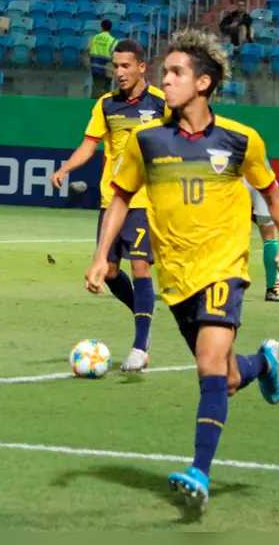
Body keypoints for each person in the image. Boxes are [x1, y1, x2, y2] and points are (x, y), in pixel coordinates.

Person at [85, 29, 279, 511]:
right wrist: (102, 255)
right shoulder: (147, 142)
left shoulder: (241, 140)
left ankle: (199, 473)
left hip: (225, 269)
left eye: (177, 72)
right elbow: (119, 196)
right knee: (222, 377)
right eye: (165, 72)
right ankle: (263, 362)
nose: (167, 80)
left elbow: (272, 192)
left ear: (203, 83)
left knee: (206, 368)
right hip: (177, 278)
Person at [52, 39, 167, 373]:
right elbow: (89, 146)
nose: (119, 72)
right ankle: (143, 315)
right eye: (115, 66)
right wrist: (65, 169)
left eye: (126, 66)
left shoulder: (161, 104)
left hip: (146, 199)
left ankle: (140, 345)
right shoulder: (106, 105)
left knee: (141, 266)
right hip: (112, 199)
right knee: (111, 272)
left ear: (142, 67)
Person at [245, 178, 279, 301]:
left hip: (233, 176)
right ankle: (272, 288)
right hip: (261, 177)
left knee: (227, 235)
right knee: (270, 236)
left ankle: (223, 285)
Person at [88, 20, 117, 99]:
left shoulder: (94, 38)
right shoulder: (113, 41)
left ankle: (93, 106)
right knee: (107, 89)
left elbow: (88, 51)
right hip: (108, 68)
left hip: (95, 66)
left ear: (101, 27)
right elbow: (115, 55)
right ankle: (106, 107)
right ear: (110, 28)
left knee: (96, 88)